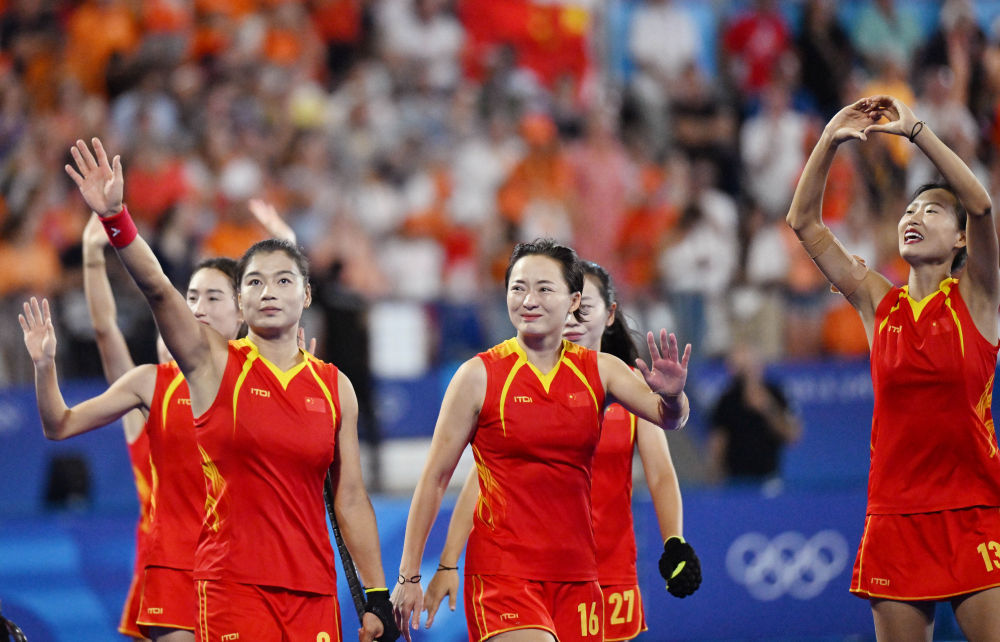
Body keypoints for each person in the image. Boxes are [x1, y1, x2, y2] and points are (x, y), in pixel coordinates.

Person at [60, 137, 397, 642]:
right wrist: (116, 220)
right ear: (241, 300)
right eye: (255, 282)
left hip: (314, 594)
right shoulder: (212, 364)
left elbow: (349, 498)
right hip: (232, 591)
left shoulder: (334, 387)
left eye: (283, 281)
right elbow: (159, 290)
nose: (268, 292)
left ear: (307, 295)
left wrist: (377, 597)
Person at [391, 239, 692, 642]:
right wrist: (410, 574)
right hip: (503, 573)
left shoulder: (602, 371)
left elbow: (669, 419)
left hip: (579, 574)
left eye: (544, 288)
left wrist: (673, 397)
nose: (529, 300)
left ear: (573, 301)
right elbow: (435, 478)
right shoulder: (477, 376)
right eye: (518, 288)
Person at [787, 95, 1000, 639]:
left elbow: (981, 207)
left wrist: (917, 133)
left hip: (973, 511)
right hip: (894, 518)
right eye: (909, 211)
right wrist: (830, 136)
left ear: (960, 240)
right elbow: (803, 222)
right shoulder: (876, 303)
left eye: (932, 211)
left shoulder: (979, 298)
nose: (914, 217)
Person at [82, 213, 154, 641]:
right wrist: (93, 256)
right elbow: (105, 329)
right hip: (161, 571)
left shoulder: (233, 399)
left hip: (227, 570)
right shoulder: (143, 404)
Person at [707, 344, 801, 485]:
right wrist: (715, 475)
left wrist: (768, 408)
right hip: (735, 480)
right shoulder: (727, 400)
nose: (749, 373)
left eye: (751, 366)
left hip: (769, 478)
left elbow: (792, 435)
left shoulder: (776, 393)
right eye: (742, 368)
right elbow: (718, 441)